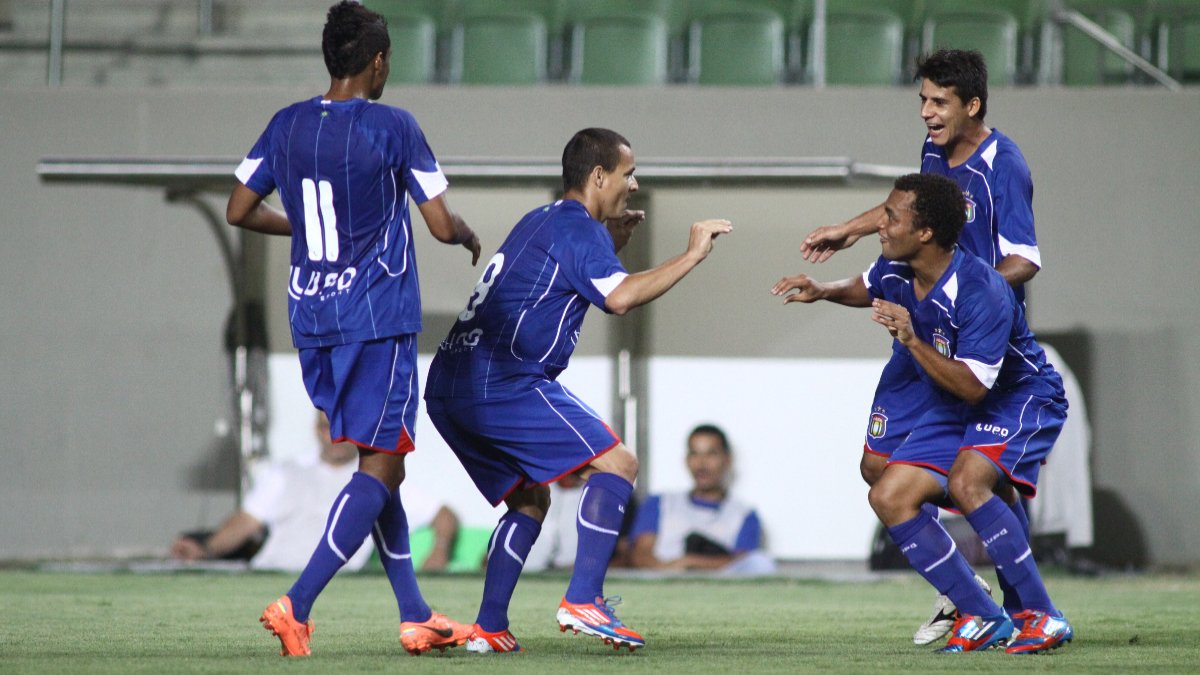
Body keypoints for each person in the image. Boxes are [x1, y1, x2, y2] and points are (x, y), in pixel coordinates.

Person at [224, 1, 481, 658]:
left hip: (312, 318)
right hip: (375, 317)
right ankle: (297, 603)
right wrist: (468, 235)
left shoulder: (286, 125)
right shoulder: (393, 126)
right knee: (383, 460)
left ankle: (415, 612)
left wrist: (303, 231)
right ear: (378, 61)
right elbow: (440, 223)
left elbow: (239, 208)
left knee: (377, 460)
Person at [423, 127, 733, 653]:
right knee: (619, 464)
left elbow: (556, 284)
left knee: (529, 498)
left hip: (448, 385)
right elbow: (620, 298)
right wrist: (692, 254)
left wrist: (608, 245)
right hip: (502, 379)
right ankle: (583, 598)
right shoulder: (576, 227)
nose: (632, 185)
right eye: (627, 173)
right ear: (598, 176)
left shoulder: (540, 220)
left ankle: (490, 628)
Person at [773, 173, 1074, 654]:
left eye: (892, 216)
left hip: (1020, 396)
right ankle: (979, 611)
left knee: (969, 483)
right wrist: (823, 289)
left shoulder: (981, 290)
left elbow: (976, 388)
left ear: (926, 232)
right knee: (888, 494)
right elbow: (867, 286)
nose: (881, 224)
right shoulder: (896, 268)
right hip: (952, 391)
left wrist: (911, 339)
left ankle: (1040, 615)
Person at [798, 48, 1041, 644]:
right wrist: (849, 229)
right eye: (923, 101)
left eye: (939, 102)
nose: (927, 114)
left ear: (972, 104)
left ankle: (1019, 606)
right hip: (924, 329)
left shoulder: (1002, 163)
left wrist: (968, 294)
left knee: (976, 481)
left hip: (975, 340)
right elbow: (910, 208)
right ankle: (967, 593)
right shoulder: (936, 150)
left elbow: (1026, 258)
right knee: (876, 466)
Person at [170, 412, 460, 573]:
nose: (332, 436)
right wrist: (206, 550)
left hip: (337, 584)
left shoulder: (375, 478)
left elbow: (443, 515)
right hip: (267, 573)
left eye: (340, 429)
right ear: (315, 429)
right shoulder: (285, 473)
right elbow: (245, 522)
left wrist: (439, 551)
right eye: (325, 428)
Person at [628, 424, 775, 575]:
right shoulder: (660, 503)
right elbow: (641, 555)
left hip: (717, 591)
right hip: (660, 585)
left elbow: (743, 562)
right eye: (694, 454)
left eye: (711, 454)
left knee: (761, 562)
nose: (702, 464)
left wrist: (689, 562)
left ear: (727, 460)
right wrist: (669, 570)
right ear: (686, 460)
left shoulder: (744, 514)